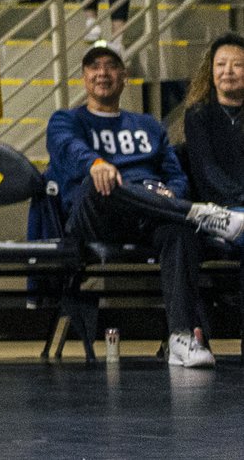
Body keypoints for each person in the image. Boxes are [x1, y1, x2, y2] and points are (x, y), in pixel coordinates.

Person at [47, 38, 244, 374]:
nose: (103, 73)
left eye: (111, 66)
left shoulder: (149, 126)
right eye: (94, 67)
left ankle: (181, 338)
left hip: (150, 212)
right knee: (103, 184)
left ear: (124, 76)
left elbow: (175, 174)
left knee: (178, 231)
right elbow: (69, 150)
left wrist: (171, 193)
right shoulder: (67, 120)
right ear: (83, 77)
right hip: (97, 213)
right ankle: (201, 215)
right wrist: (96, 163)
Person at [175, 31, 244, 209]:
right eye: (220, 64)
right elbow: (207, 171)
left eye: (237, 65)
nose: (227, 71)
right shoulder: (198, 114)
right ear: (211, 70)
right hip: (221, 207)